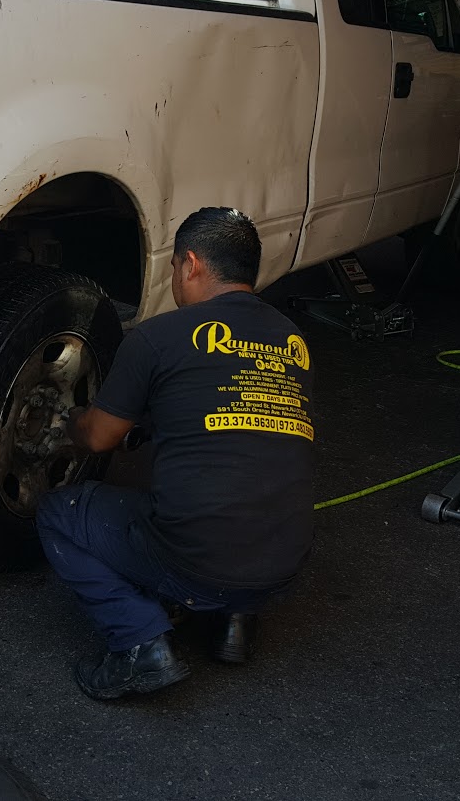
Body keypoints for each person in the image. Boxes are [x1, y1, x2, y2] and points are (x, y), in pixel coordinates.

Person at [36, 207, 316, 701]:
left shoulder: (158, 336)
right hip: (283, 567)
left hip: (198, 563)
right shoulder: (292, 341)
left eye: (172, 269)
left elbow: (100, 437)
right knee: (249, 481)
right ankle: (234, 626)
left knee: (60, 513)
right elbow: (234, 419)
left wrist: (68, 423)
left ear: (190, 264)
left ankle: (138, 642)